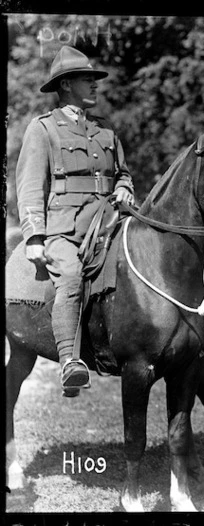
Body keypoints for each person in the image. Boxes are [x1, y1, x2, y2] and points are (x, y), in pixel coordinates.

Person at [15, 45, 135, 396]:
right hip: (64, 229)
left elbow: (123, 174)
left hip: (109, 222)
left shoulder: (105, 129)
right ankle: (70, 362)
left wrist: (125, 188)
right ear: (66, 85)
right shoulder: (43, 129)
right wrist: (35, 236)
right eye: (88, 80)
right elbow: (30, 186)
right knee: (70, 278)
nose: (96, 86)